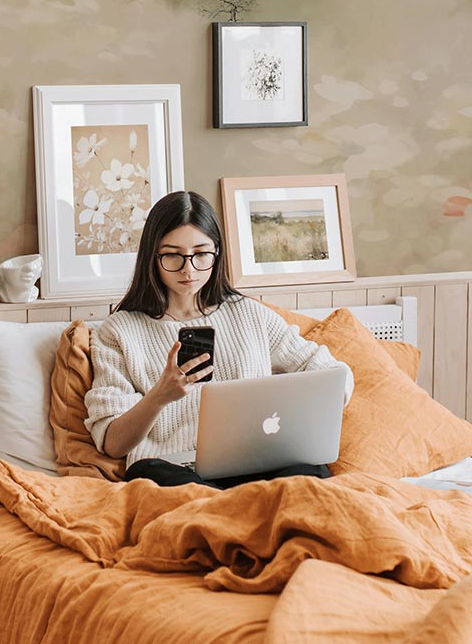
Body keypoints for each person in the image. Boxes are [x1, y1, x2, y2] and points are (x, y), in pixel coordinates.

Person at [84, 189, 353, 488]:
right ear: (152, 255)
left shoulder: (250, 314)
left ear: (217, 253)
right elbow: (112, 443)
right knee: (152, 478)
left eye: (201, 254)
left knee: (313, 476)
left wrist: (294, 410)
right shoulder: (117, 332)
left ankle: (244, 516)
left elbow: (334, 375)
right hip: (176, 469)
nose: (188, 269)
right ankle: (244, 519)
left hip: (259, 461)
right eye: (173, 255)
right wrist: (159, 396)